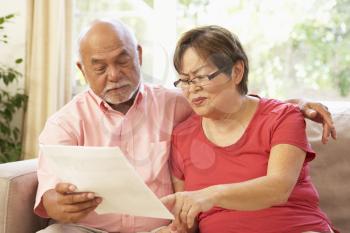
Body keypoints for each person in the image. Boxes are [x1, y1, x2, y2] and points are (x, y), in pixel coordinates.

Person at [34, 19, 336, 233]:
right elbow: (50, 197)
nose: (113, 75)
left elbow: (238, 101)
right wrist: (59, 203)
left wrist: (297, 104)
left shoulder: (175, 103)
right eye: (99, 67)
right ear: (81, 69)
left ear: (139, 55)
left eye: (123, 61)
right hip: (88, 229)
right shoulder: (64, 124)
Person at [161, 25, 338, 233]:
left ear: (236, 71)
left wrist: (210, 195)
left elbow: (278, 188)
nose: (191, 89)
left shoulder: (282, 117)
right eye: (185, 80)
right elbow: (190, 220)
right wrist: (181, 226)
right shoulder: (182, 137)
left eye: (200, 77)